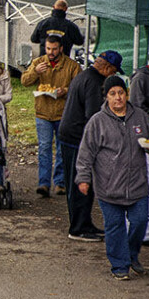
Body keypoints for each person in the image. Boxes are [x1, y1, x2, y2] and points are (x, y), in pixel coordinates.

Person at [76, 75, 149, 280]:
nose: (118, 97)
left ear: (126, 93)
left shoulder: (140, 117)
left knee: (140, 221)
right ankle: (120, 265)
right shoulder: (97, 122)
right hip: (109, 188)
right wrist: (83, 178)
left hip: (137, 185)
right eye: (112, 94)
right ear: (106, 97)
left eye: (121, 92)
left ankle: (131, 254)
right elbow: (85, 153)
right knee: (115, 226)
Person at [59, 50, 122, 242]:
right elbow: (93, 116)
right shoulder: (95, 83)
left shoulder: (84, 75)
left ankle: (83, 223)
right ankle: (78, 227)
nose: (113, 76)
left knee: (78, 181)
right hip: (77, 138)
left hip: (70, 134)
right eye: (114, 71)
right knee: (81, 182)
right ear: (106, 68)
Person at [21, 34, 80, 197]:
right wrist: (35, 72)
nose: (51, 52)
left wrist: (65, 91)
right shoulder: (38, 63)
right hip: (43, 112)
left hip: (63, 114)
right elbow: (24, 81)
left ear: (61, 48)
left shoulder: (71, 66)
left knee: (62, 149)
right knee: (44, 148)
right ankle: (43, 183)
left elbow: (79, 87)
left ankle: (60, 183)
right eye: (48, 49)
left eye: (54, 49)